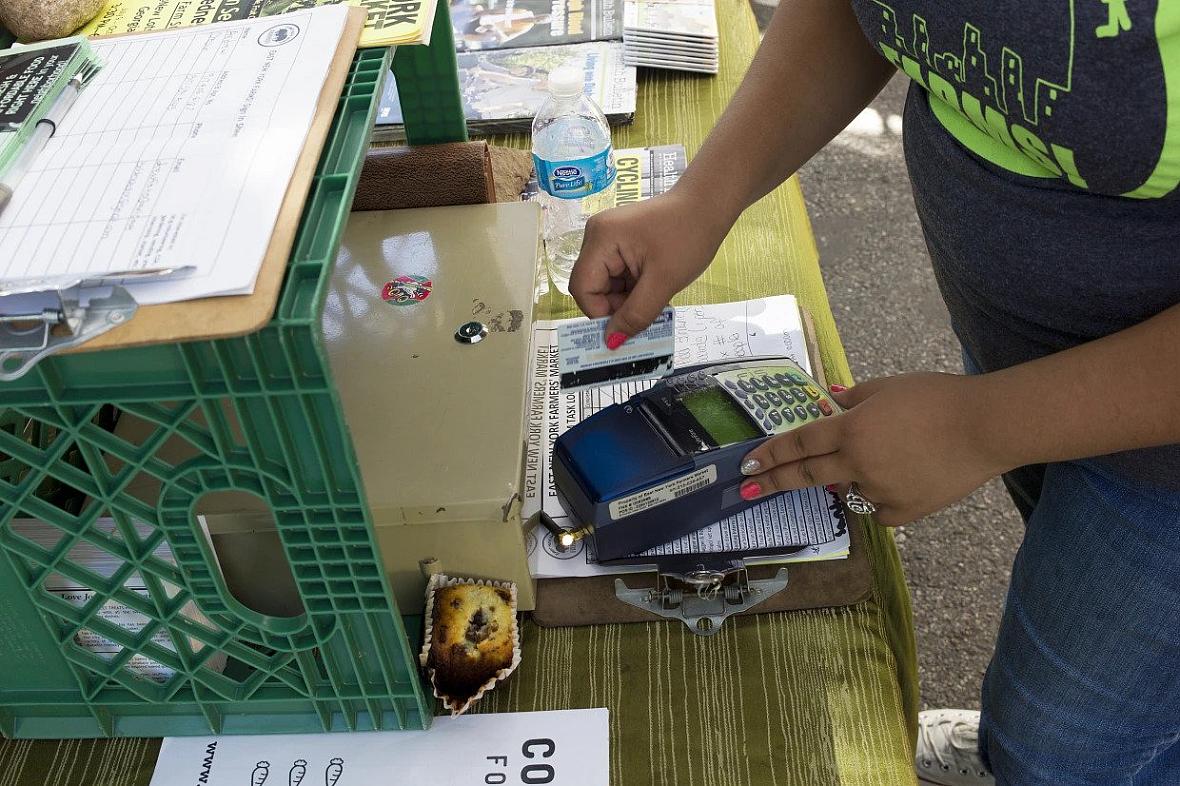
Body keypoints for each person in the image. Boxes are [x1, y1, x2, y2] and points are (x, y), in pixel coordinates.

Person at [567, 1, 1180, 784]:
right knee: (1073, 597)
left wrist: (983, 427)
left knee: (1068, 744)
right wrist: (702, 199)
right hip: (1021, 361)